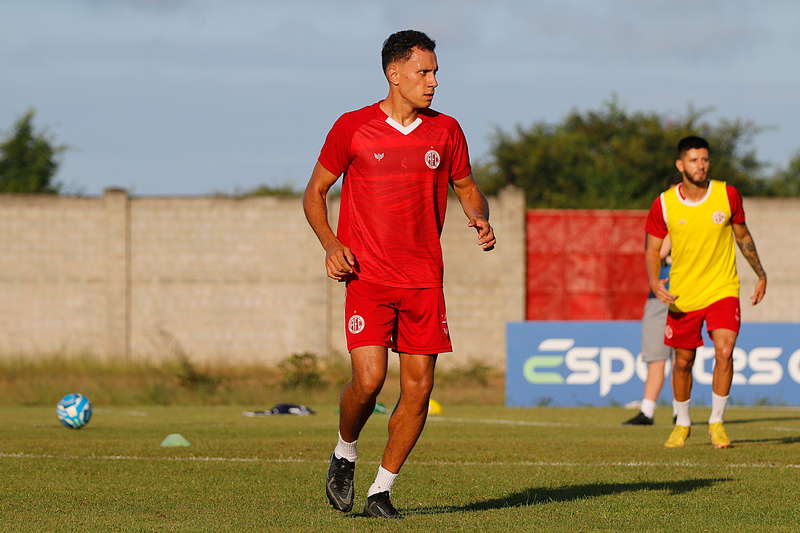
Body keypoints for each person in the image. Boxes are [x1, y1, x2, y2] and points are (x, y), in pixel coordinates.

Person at [303, 30, 496, 519]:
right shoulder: (353, 127)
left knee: (420, 390)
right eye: (423, 72)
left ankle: (380, 491)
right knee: (368, 383)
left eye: (434, 73)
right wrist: (331, 244)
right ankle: (344, 452)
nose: (433, 82)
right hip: (367, 276)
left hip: (425, 280)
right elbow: (314, 192)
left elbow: (469, 187)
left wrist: (479, 214)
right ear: (395, 73)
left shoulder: (446, 130)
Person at [645, 136, 767, 448]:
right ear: (680, 164)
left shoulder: (727, 194)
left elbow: (743, 235)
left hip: (722, 288)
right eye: (694, 160)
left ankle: (717, 421)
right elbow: (652, 249)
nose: (701, 165)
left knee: (725, 350)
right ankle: (682, 422)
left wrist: (760, 274)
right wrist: (655, 281)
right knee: (683, 362)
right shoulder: (664, 204)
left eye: (705, 159)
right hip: (683, 295)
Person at [623, 176, 682, 426]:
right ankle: (647, 412)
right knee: (657, 356)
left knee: (683, 357)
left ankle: (681, 412)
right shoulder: (659, 223)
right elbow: (658, 253)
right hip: (658, 297)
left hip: (686, 296)